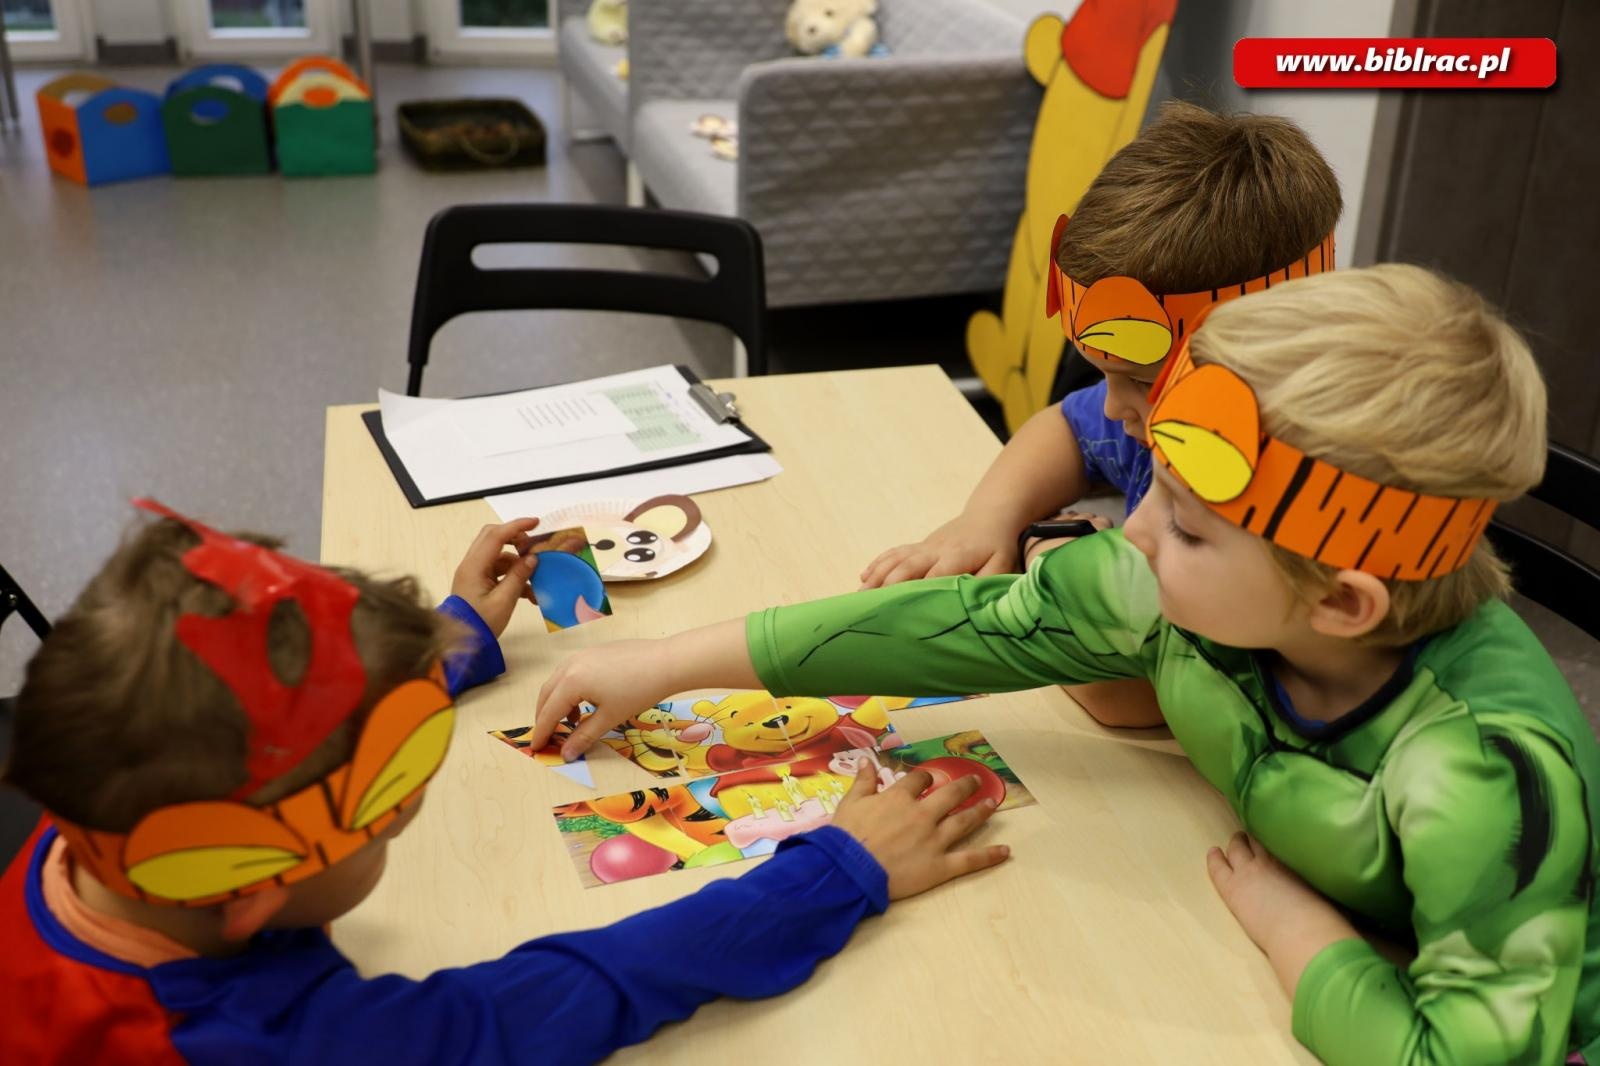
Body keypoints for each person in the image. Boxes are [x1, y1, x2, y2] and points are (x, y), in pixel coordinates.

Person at [533, 266, 1600, 1064]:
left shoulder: (1482, 776)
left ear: (1341, 600)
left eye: (1183, 525)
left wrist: (1296, 930)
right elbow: (954, 625)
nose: (1128, 535)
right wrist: (671, 662)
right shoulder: (1199, 593)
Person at [0, 502, 1007, 1065]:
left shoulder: (101, 819)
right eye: (396, 803)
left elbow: (243, 719)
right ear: (257, 886)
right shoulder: (293, 1044)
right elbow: (558, 999)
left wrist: (447, 642)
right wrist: (838, 869)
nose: (408, 808)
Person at [862, 101, 1341, 729]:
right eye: (1102, 373)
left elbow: (1127, 697)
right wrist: (986, 520)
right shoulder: (1190, 410)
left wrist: (1048, 561)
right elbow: (1065, 426)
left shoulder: (1283, 495)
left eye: (1139, 381)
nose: (1115, 406)